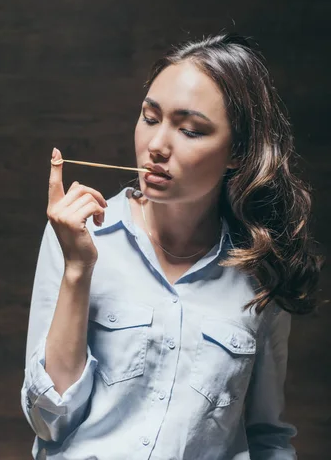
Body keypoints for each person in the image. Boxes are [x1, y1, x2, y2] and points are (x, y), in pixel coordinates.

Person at [21, 32, 321, 460]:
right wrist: (76, 270)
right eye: (149, 117)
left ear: (238, 151)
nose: (158, 146)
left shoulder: (259, 270)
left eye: (191, 130)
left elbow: (267, 437)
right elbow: (49, 419)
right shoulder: (79, 235)